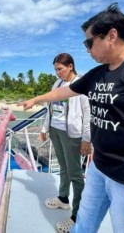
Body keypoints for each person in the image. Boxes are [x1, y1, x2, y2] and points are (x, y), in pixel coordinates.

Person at [19, 3, 124, 233]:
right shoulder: (99, 73)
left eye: (89, 42)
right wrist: (36, 99)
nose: (87, 49)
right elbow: (65, 91)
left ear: (112, 35)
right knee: (84, 225)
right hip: (98, 168)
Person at [40, 53, 91, 233]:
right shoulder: (58, 84)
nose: (57, 73)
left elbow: (88, 115)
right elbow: (50, 107)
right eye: (55, 70)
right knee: (63, 167)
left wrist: (86, 139)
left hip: (72, 135)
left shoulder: (81, 84)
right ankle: (63, 199)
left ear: (70, 66)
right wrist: (45, 129)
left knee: (75, 174)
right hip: (56, 130)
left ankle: (77, 216)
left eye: (60, 69)